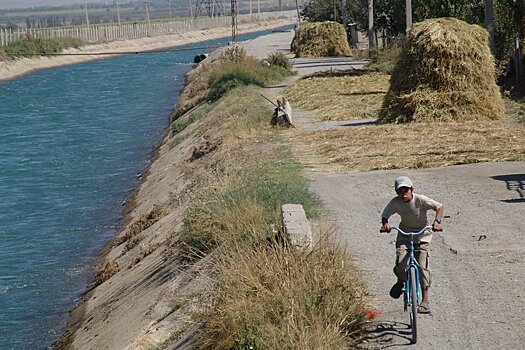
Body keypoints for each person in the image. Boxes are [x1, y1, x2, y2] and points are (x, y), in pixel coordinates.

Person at [380, 176, 443, 314]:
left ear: (411, 189)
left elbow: (439, 206)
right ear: (397, 193)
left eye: (406, 190)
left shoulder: (420, 200)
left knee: (422, 267)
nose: (403, 194)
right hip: (404, 235)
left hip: (423, 235)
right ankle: (400, 281)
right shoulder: (396, 202)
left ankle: (425, 301)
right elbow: (386, 213)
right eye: (400, 191)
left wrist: (437, 222)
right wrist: (385, 224)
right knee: (401, 263)